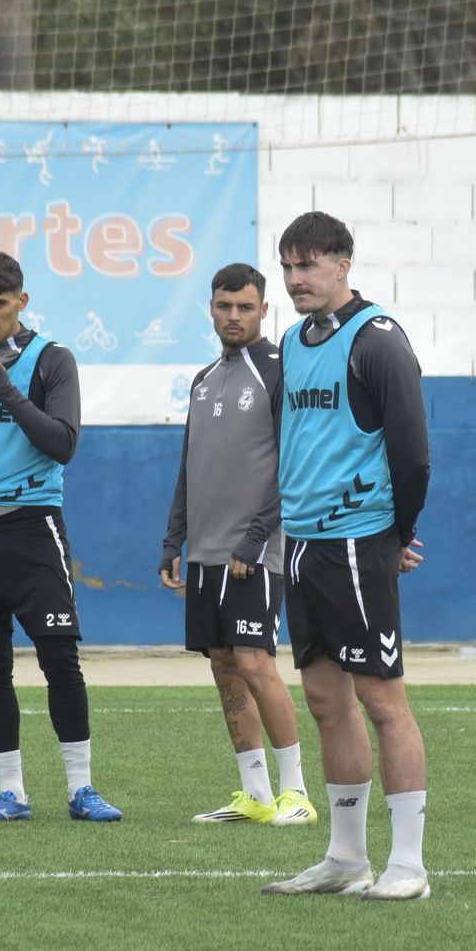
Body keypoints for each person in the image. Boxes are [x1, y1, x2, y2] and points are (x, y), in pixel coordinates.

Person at [259, 212, 432, 901]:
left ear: (343, 265)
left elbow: (412, 451)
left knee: (383, 700)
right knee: (327, 700)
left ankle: (409, 866)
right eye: (288, 266)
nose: (296, 279)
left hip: (359, 543)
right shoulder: (292, 343)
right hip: (301, 545)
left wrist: (397, 533)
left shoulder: (378, 340)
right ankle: (345, 857)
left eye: (308, 265)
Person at [0, 250, 122, 824]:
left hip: (33, 528)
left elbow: (62, 443)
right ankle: (11, 792)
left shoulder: (52, 360)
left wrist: (7, 389)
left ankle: (81, 789)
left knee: (60, 658)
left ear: (22, 302)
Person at [158, 263, 317, 827]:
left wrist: (255, 540)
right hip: (203, 552)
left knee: (255, 662)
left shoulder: (278, 371)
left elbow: (292, 466)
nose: (233, 316)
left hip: (253, 553)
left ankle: (295, 793)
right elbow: (190, 463)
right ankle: (253, 795)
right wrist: (174, 537)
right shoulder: (203, 379)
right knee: (224, 666)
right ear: (210, 308)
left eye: (244, 307)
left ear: (263, 311)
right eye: (224, 306)